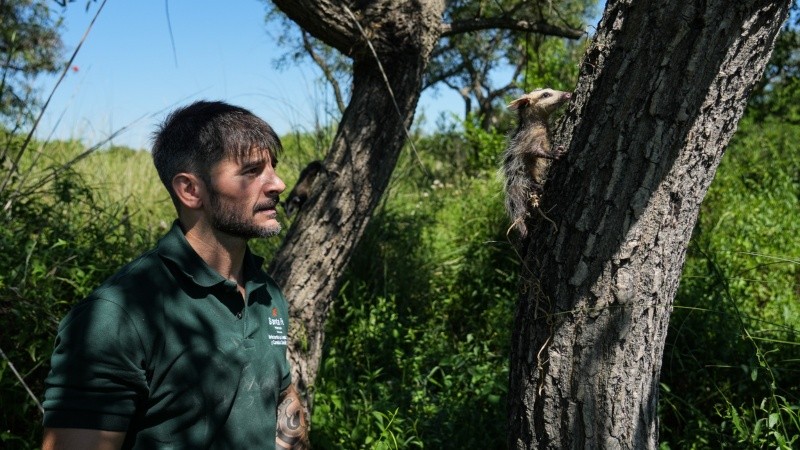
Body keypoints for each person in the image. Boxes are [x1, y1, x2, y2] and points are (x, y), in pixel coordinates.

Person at [41, 100, 308, 449]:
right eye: (252, 171)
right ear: (191, 190)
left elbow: (281, 402)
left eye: (273, 167)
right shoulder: (117, 315)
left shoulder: (266, 293)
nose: (278, 183)